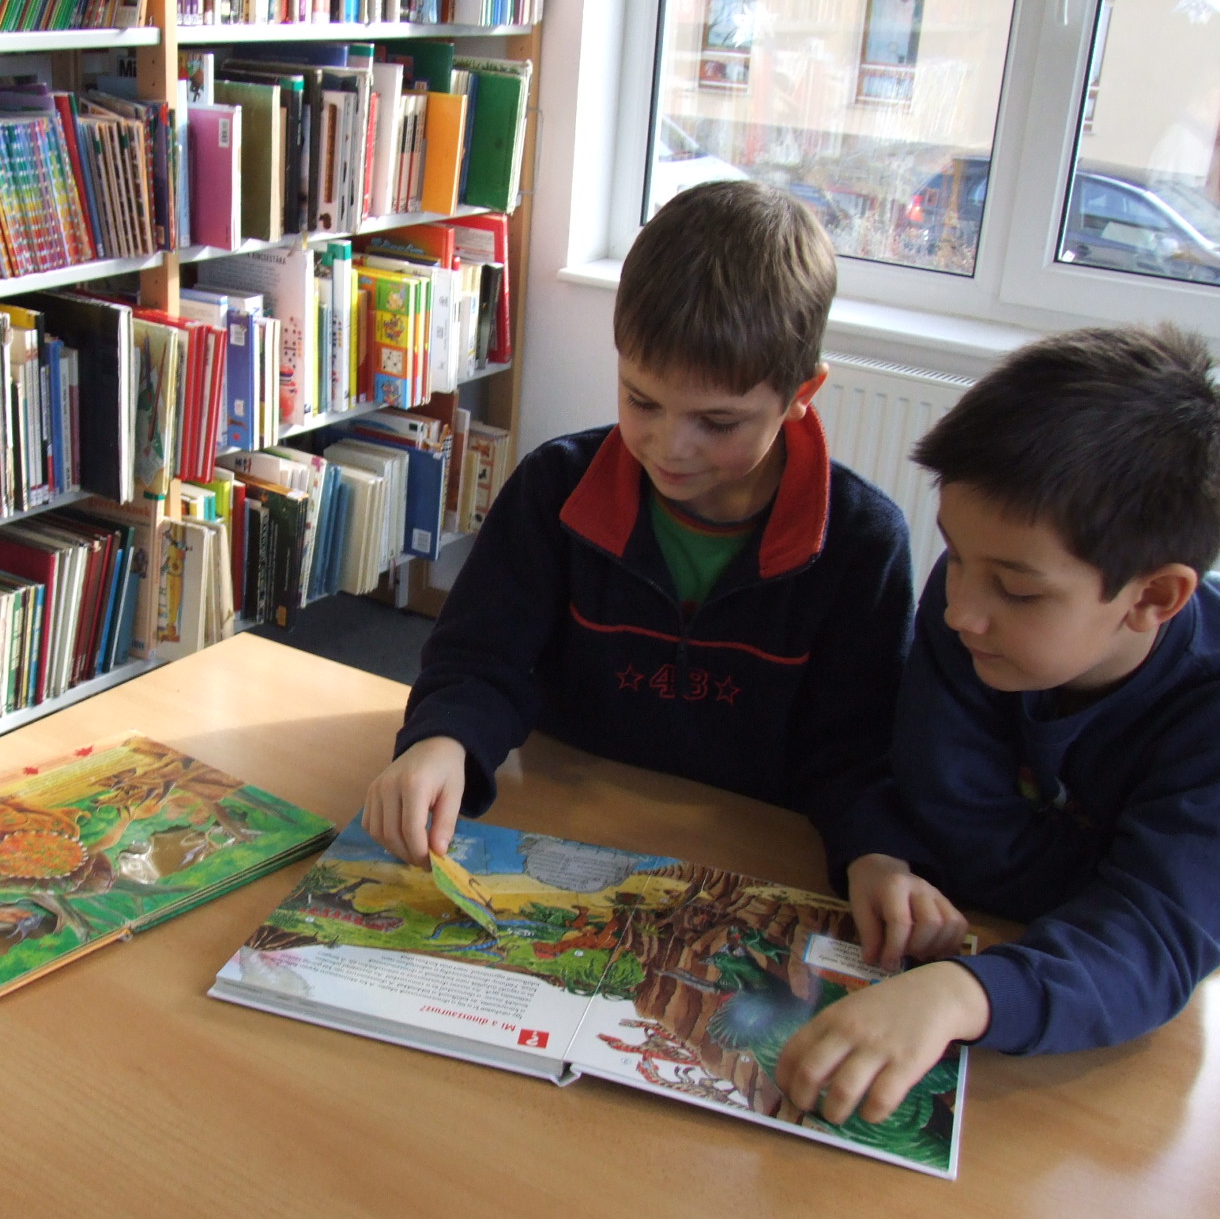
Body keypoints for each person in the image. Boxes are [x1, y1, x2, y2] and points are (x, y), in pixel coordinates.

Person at [777, 324, 1220, 1128]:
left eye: (1018, 591)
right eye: (955, 555)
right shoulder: (970, 615)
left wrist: (966, 993)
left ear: (1152, 597)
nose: (959, 609)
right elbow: (956, 828)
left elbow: (1150, 951)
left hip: (1130, 1090)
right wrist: (1195, 905)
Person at [363, 180, 915, 874]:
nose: (670, 447)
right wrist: (442, 740)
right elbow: (482, 660)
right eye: (642, 401)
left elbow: (858, 752)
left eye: (717, 422)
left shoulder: (862, 544)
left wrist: (875, 854)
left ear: (801, 394)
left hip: (751, 855)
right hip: (566, 816)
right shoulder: (554, 489)